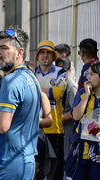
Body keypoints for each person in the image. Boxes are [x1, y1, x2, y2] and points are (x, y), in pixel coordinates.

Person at [0, 25, 41, 179]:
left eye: (4, 48)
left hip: (5, 165)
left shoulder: (10, 81)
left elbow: (1, 126)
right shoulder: (32, 78)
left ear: (20, 52)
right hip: (25, 163)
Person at [35, 40, 68, 180]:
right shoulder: (31, 73)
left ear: (54, 56)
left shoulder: (61, 72)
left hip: (55, 129)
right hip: (34, 129)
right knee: (36, 170)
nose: (45, 55)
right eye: (42, 52)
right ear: (37, 56)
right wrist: (48, 91)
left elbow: (58, 92)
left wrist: (36, 90)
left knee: (55, 171)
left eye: (48, 52)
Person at [65, 61, 100, 179]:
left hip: (97, 152)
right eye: (88, 74)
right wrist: (86, 95)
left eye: (92, 74)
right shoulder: (82, 93)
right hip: (80, 151)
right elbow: (75, 116)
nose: (88, 77)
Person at [55, 57, 77, 160]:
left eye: (64, 72)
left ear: (69, 72)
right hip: (55, 128)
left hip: (67, 128)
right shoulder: (54, 85)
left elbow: (74, 112)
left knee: (66, 156)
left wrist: (57, 119)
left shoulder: (71, 87)